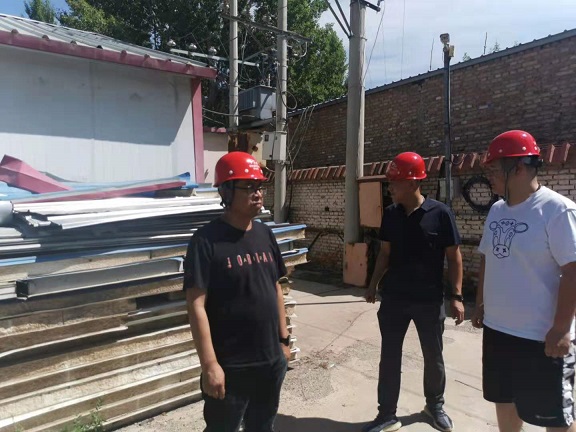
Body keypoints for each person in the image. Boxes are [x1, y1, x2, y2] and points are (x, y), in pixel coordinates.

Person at [472, 130, 576, 432]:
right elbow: (488, 257)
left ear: (518, 168)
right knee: (504, 401)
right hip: (498, 332)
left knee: (555, 417)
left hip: (541, 338)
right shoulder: (496, 210)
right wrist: (481, 303)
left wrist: (560, 328)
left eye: (494, 169)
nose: (489, 177)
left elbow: (572, 271)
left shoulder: (556, 210)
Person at [183, 151, 291, 432]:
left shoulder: (265, 234)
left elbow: (276, 287)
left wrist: (284, 341)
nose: (258, 194)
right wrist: (210, 365)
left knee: (262, 426)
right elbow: (196, 305)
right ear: (227, 192)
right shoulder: (206, 241)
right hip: (231, 368)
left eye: (259, 186)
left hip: (270, 362)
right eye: (249, 187)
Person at [363, 151, 464, 432]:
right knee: (389, 356)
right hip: (394, 298)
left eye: (394, 183)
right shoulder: (391, 215)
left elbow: (454, 257)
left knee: (433, 356)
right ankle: (386, 414)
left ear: (412, 183)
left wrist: (456, 296)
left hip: (429, 300)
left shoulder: (440, 214)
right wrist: (372, 284)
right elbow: (385, 253)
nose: (390, 188)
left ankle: (435, 406)